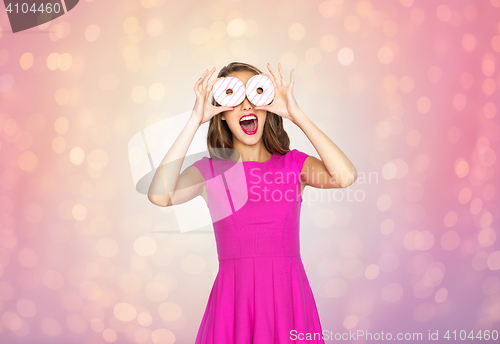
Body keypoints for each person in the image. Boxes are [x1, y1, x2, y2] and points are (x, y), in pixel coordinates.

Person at [148, 62, 357, 343]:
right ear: (221, 115)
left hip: (288, 300)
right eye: (233, 98)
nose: (247, 106)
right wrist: (194, 120)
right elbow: (159, 195)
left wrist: (297, 115)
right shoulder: (210, 172)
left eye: (256, 94)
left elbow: (345, 177)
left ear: (267, 105)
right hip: (233, 304)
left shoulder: (293, 165)